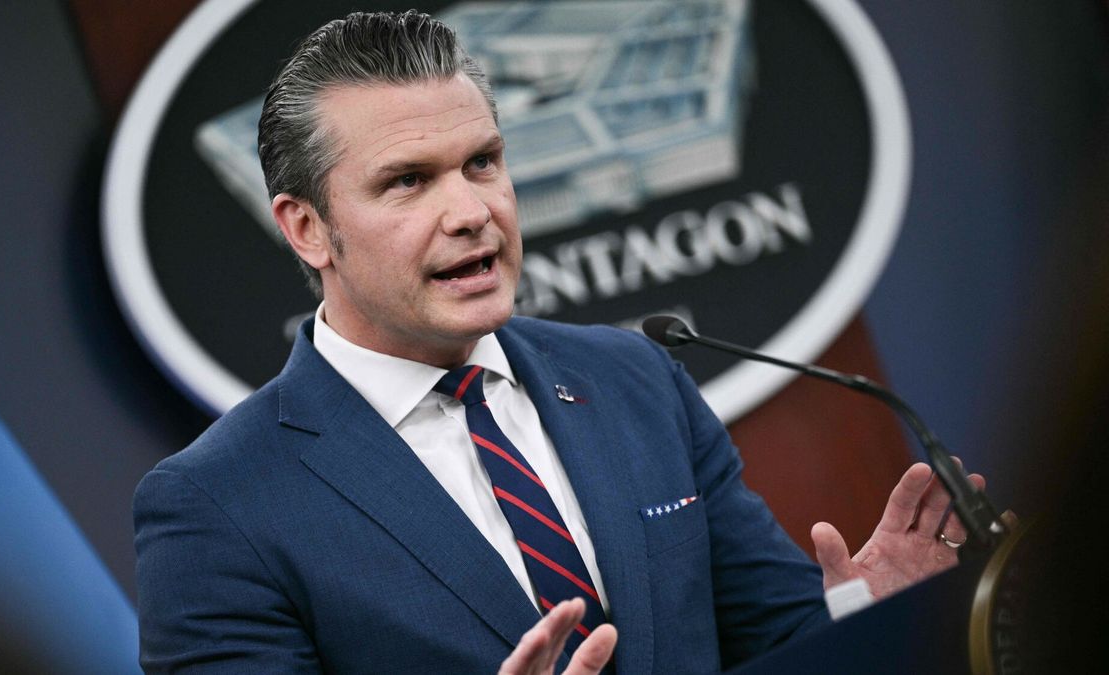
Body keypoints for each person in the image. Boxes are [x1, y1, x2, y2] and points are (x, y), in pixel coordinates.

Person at [133, 11, 983, 674]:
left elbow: (773, 635)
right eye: (409, 181)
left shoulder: (633, 379)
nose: (473, 211)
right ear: (307, 228)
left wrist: (867, 615)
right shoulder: (218, 505)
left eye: (483, 162)